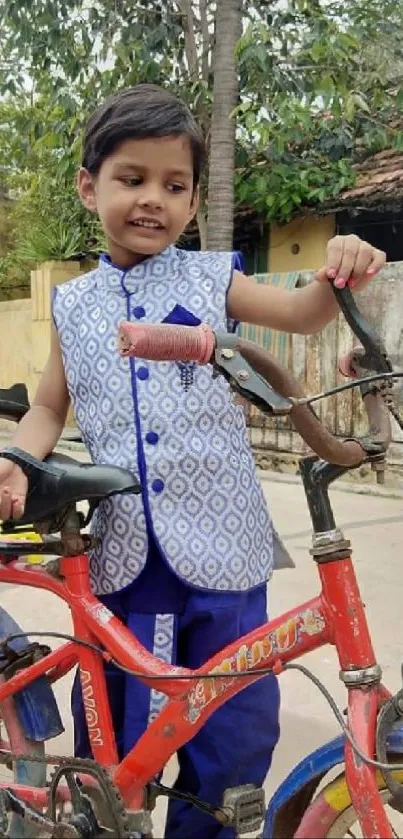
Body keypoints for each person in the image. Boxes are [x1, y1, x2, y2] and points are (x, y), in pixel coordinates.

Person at [0, 84, 385, 838]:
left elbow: (306, 313)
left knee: (234, 729)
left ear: (191, 200)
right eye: (132, 179)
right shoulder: (76, 305)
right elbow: (51, 404)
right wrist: (16, 457)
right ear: (89, 187)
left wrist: (343, 265)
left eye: (174, 186)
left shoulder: (212, 279)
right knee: (124, 729)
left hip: (226, 550)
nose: (153, 200)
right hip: (125, 555)